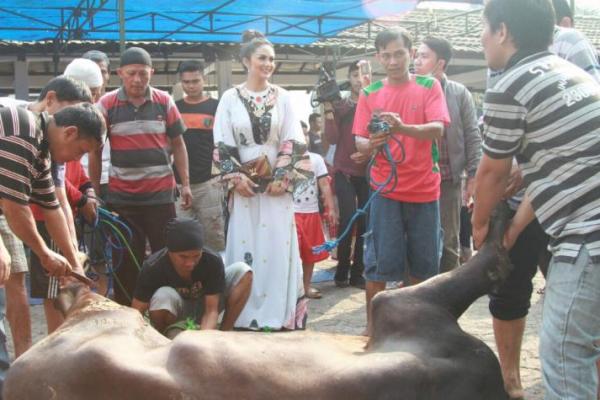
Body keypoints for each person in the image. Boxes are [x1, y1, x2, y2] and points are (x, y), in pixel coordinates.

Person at [472, 1, 600, 399]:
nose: (481, 38)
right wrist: (509, 231)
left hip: (588, 234)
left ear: (503, 31)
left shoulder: (509, 84)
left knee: (563, 353)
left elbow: (493, 172)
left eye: (484, 29)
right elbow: (550, 176)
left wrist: (479, 230)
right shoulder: (571, 74)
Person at [353, 28, 450, 335]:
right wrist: (373, 143)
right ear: (378, 57)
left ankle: (417, 328)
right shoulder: (369, 94)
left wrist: (402, 127)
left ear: (410, 53)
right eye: (386, 55)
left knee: (424, 265)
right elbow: (359, 140)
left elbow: (438, 128)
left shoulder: (429, 85)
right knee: (379, 262)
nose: (393, 61)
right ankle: (373, 327)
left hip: (424, 188)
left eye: (399, 53)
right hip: (385, 188)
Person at [212, 30, 311, 330]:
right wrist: (235, 179)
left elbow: (293, 138)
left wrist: (282, 177)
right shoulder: (229, 98)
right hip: (243, 189)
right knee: (245, 247)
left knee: (277, 249)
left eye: (272, 59)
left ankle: (279, 315)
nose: (268, 64)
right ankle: (240, 314)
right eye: (262, 58)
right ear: (246, 61)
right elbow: (222, 143)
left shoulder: (283, 97)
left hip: (276, 191)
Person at [90, 47, 192, 305]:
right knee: (126, 261)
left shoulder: (164, 101)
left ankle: (165, 310)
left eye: (143, 74)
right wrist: (94, 191)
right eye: (132, 73)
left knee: (166, 257)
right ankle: (128, 313)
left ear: (152, 73)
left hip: (161, 198)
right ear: (119, 74)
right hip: (122, 201)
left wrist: (186, 184)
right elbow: (95, 150)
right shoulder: (107, 104)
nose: (137, 80)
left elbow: (178, 144)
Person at [0, 76, 93, 349]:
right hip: (6, 207)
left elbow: (52, 207)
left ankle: (20, 363)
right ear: (70, 132)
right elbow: (15, 206)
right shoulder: (25, 131)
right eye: (80, 151)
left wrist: (74, 266)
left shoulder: (43, 151)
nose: (78, 160)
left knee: (15, 271)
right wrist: (44, 253)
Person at [413, 36, 482, 273]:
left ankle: (443, 293)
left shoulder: (459, 93)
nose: (416, 60)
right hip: (415, 179)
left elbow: (473, 135)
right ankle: (415, 290)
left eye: (424, 56)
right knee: (415, 238)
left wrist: (473, 175)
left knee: (449, 240)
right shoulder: (409, 90)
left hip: (447, 179)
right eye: (417, 55)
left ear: (440, 63)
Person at [131, 217, 252, 336]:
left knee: (243, 271)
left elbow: (211, 310)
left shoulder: (212, 260)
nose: (190, 263)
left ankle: (224, 334)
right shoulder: (153, 266)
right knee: (162, 296)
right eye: (183, 257)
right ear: (169, 251)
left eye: (196, 256)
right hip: (176, 311)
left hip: (204, 307)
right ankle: (164, 337)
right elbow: (137, 312)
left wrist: (203, 340)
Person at [323, 62, 369, 289]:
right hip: (343, 171)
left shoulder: (376, 101)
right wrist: (328, 108)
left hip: (368, 172)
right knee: (349, 218)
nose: (359, 79)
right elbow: (331, 138)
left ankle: (358, 273)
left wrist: (370, 151)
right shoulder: (340, 105)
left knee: (365, 222)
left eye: (362, 74)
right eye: (354, 75)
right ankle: (342, 270)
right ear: (349, 78)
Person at [174, 60, 225, 252]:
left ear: (204, 79)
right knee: (182, 238)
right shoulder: (174, 107)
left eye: (195, 81)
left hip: (209, 183)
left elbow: (224, 143)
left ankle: (218, 277)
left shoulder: (217, 107)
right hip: (180, 184)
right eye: (186, 82)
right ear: (181, 82)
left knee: (214, 238)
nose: (191, 86)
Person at [293, 140, 337, 299]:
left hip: (311, 212)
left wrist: (330, 208)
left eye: (304, 135)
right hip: (291, 213)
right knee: (292, 253)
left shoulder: (316, 159)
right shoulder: (284, 160)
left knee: (310, 253)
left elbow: (325, 185)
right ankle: (292, 289)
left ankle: (305, 287)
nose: (302, 138)